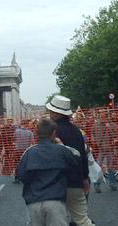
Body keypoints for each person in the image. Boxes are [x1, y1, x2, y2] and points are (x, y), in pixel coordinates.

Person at [18, 118, 80, 226]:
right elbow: (76, 161)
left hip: (34, 201)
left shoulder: (29, 152)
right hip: (55, 200)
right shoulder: (61, 151)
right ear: (54, 133)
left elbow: (22, 176)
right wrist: (61, 145)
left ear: (36, 133)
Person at [47, 95, 95, 226]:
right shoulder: (76, 130)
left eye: (51, 111)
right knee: (82, 219)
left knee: (55, 220)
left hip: (57, 181)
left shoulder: (52, 131)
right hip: (76, 180)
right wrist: (85, 177)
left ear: (57, 113)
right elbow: (83, 156)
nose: (50, 113)